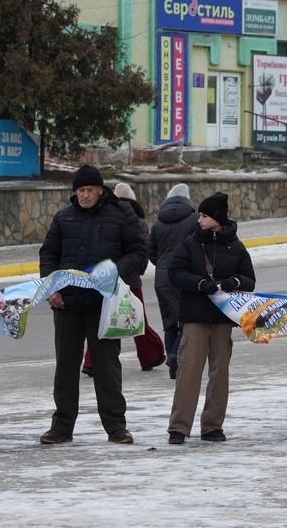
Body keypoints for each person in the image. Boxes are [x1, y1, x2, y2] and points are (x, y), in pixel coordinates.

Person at [38, 164, 147, 445]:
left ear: (101, 190)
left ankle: (116, 427)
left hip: (105, 305)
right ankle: (61, 427)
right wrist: (51, 288)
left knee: (107, 368)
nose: (85, 195)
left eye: (90, 190)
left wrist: (113, 270)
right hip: (67, 304)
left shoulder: (121, 215)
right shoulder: (64, 217)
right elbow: (48, 254)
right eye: (80, 190)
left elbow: (138, 254)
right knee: (65, 367)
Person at [165, 192, 256, 445]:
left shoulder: (235, 246)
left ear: (217, 218)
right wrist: (200, 284)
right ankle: (179, 428)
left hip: (223, 318)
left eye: (204, 216)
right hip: (194, 317)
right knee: (188, 371)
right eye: (200, 215)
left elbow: (249, 279)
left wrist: (234, 282)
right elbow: (175, 273)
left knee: (220, 373)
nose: (199, 220)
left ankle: (213, 426)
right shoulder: (190, 243)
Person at [82, 183, 165, 376]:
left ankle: (91, 362)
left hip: (106, 279)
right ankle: (149, 356)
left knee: (104, 320)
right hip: (130, 280)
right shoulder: (140, 222)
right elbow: (142, 250)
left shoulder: (105, 218)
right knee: (136, 319)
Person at [147, 182, 198, 380]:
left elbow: (151, 252)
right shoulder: (194, 218)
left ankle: (173, 367)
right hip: (183, 277)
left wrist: (162, 265)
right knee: (187, 319)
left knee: (169, 322)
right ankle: (175, 355)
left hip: (161, 278)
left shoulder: (158, 221)